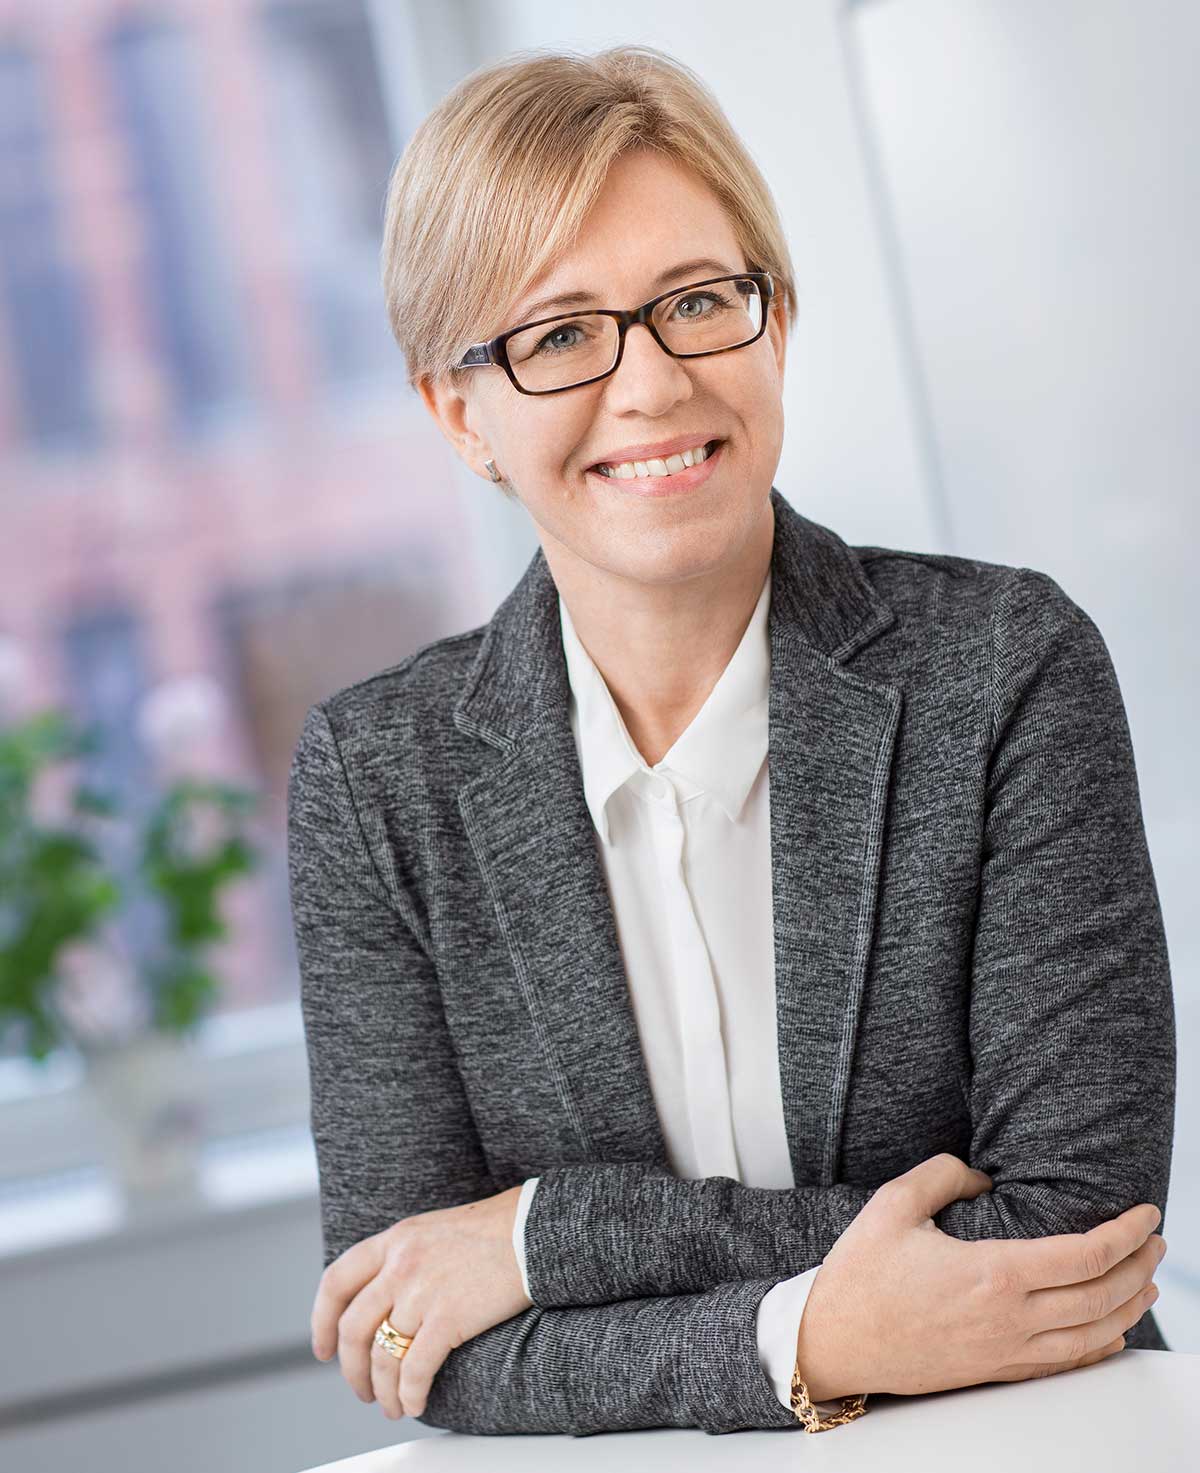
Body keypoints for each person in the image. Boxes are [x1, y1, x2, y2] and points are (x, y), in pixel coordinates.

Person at [287, 45, 1175, 1438]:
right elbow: (412, 1328)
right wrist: (808, 1334)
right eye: (559, 334)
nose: (651, 385)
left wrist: (539, 1241)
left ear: (777, 324)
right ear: (460, 412)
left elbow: (1072, 1239)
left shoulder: (1007, 669)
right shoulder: (377, 781)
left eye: (698, 302)